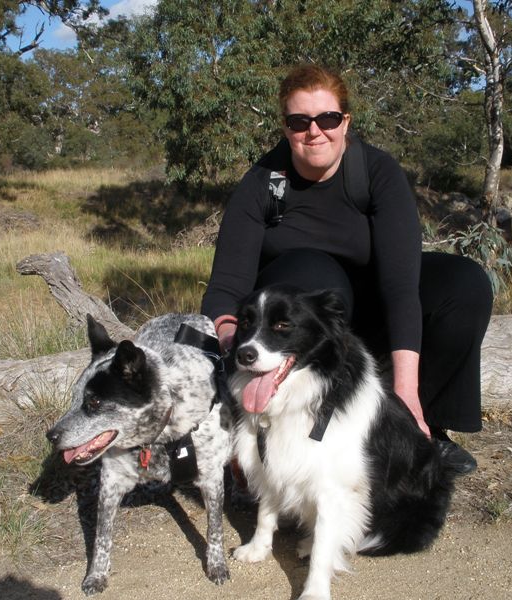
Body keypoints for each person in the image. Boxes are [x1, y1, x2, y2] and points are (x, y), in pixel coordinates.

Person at [201, 64, 492, 474]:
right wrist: (238, 348)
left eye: (328, 118)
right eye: (299, 121)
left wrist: (407, 391)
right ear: (286, 128)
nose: (314, 131)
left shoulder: (375, 172)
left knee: (464, 283)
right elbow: (224, 289)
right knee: (316, 276)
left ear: (346, 121)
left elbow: (401, 286)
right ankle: (300, 436)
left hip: (363, 322)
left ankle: (416, 423)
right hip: (292, 335)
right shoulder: (262, 184)